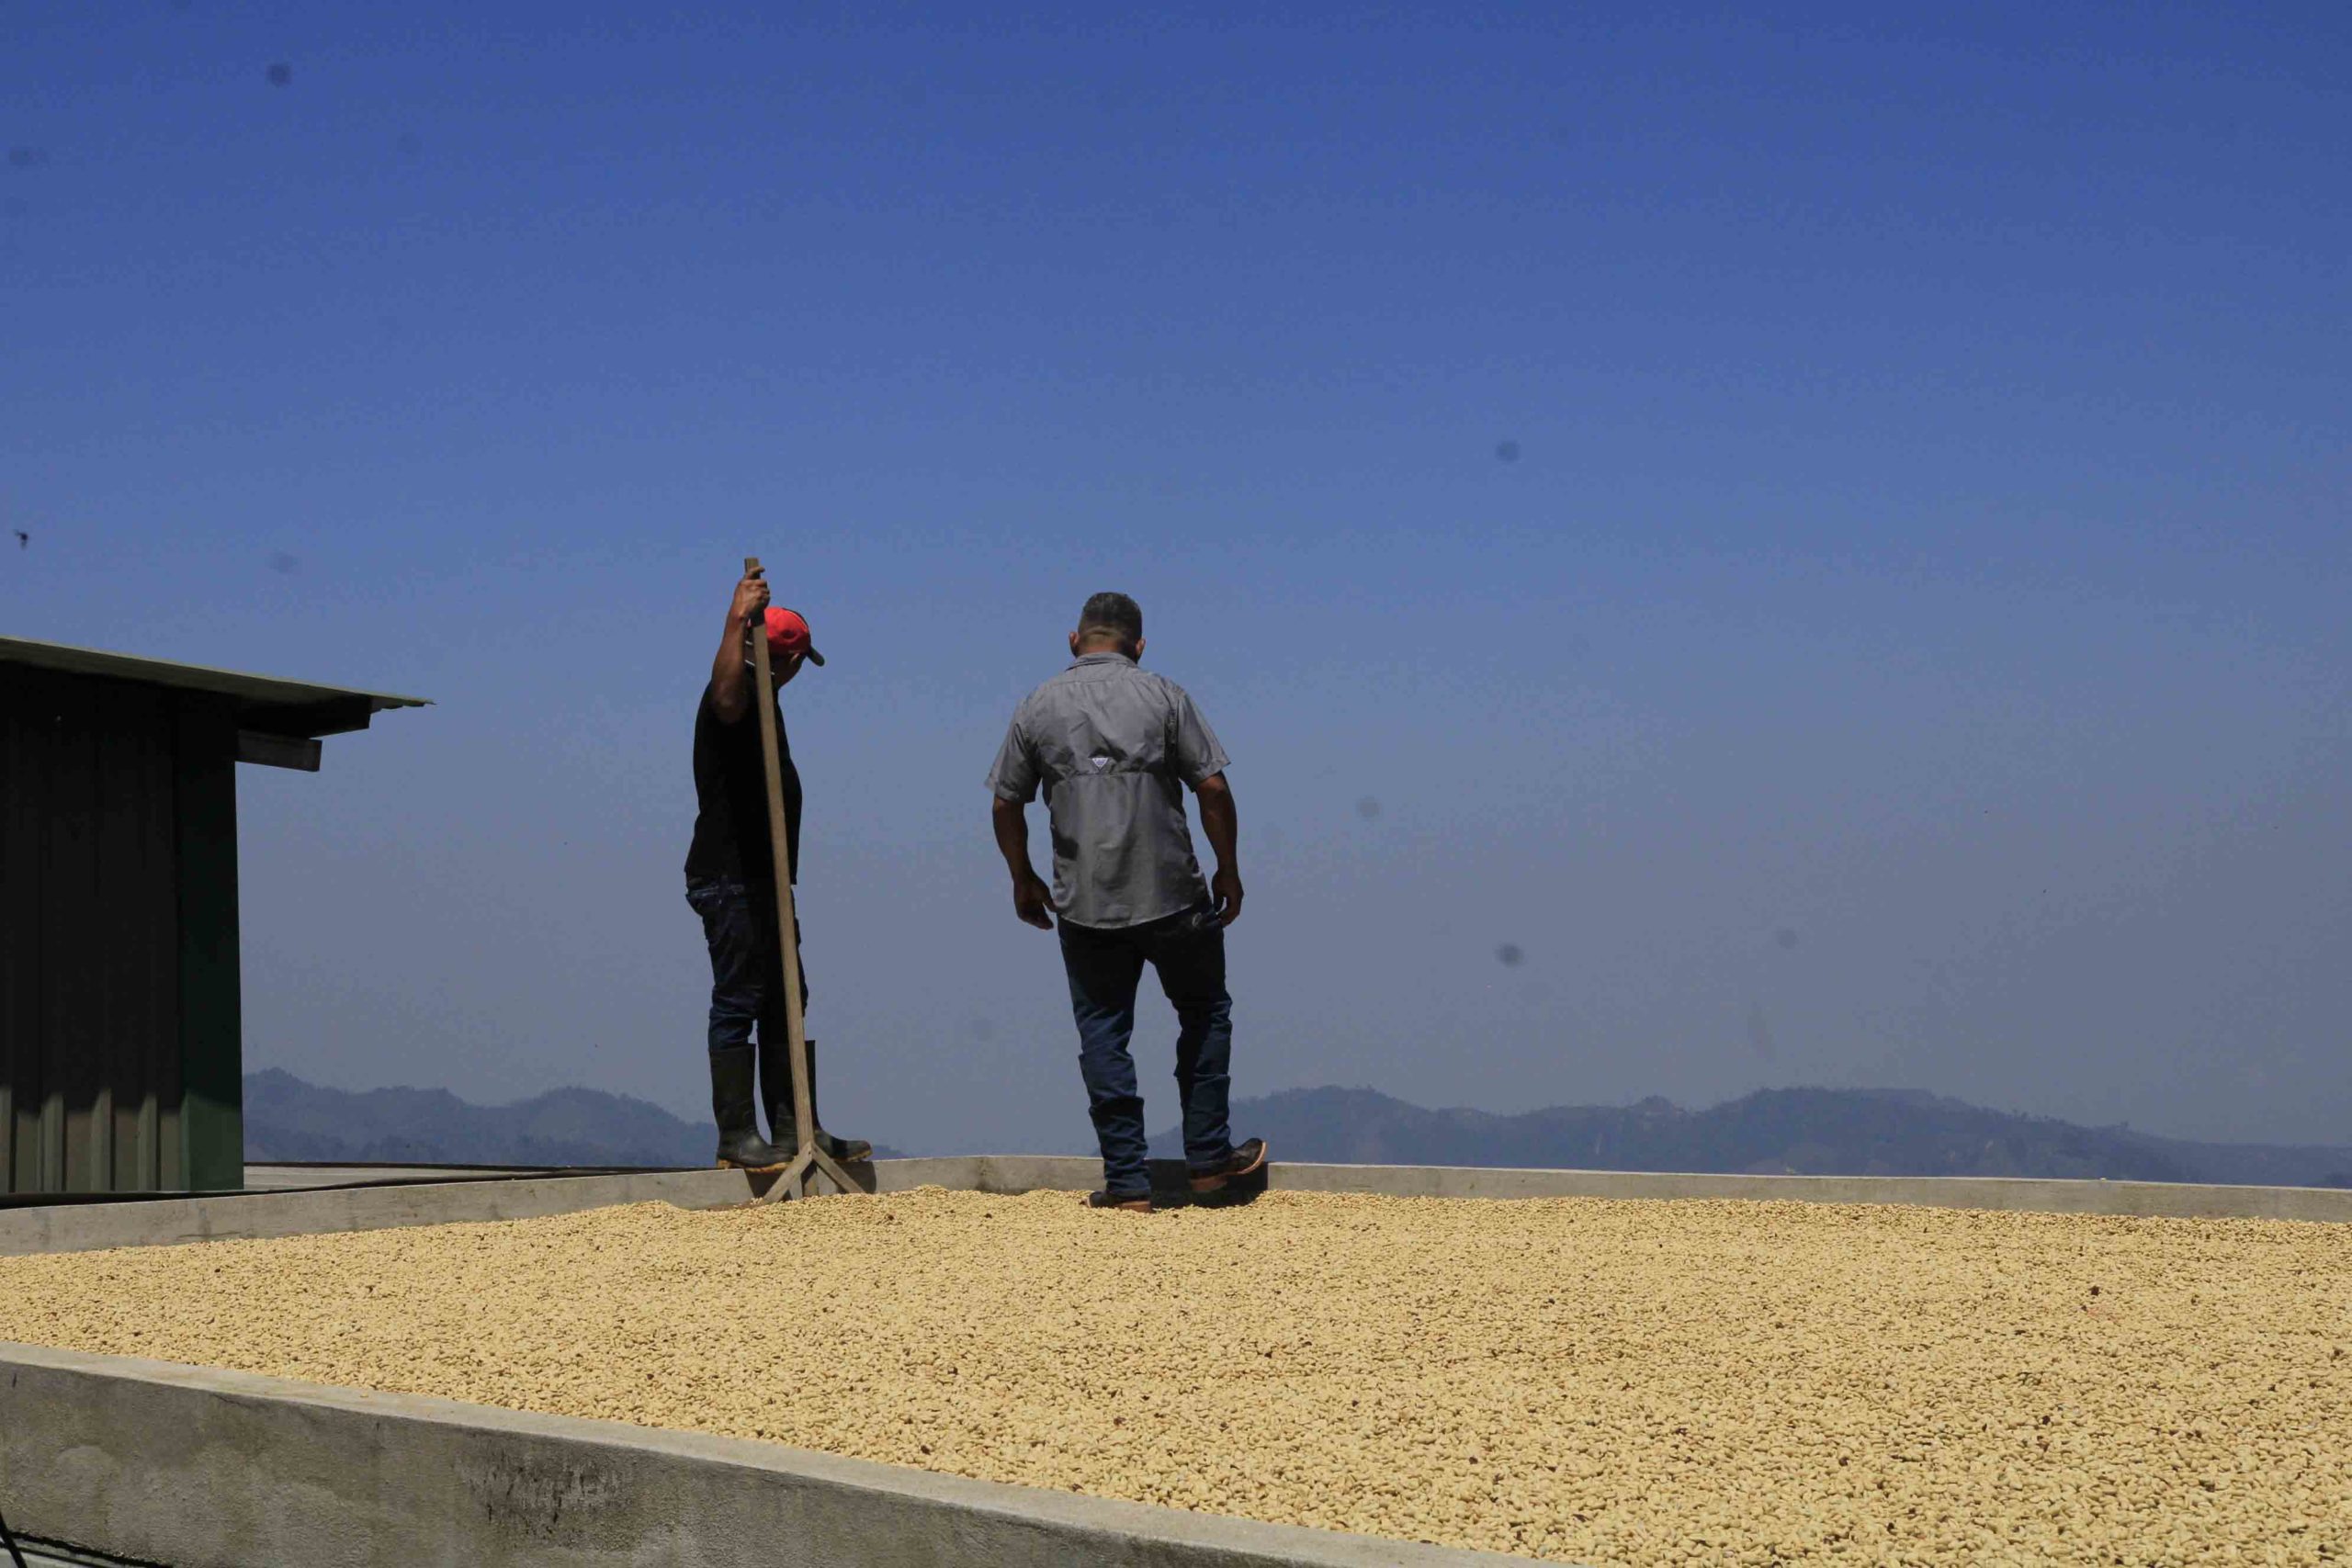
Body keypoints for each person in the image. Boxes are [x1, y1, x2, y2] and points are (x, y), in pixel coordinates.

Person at [987, 592, 1265, 1213]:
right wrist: (1229, 870)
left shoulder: (1037, 705)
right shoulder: (1166, 695)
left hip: (1086, 902)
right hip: (1173, 893)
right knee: (1203, 1013)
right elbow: (1212, 788)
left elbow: (1006, 801)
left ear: (1074, 640)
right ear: (1139, 645)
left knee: (1104, 1033)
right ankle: (1209, 1164)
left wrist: (1022, 877)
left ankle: (1128, 1183)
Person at [684, 566, 871, 1171]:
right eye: (793, 661)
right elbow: (725, 693)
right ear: (779, 660)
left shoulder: (768, 704)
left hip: (766, 879)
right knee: (740, 995)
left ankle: (796, 1127)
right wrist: (737, 617)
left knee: (787, 998)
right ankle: (737, 1136)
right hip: (729, 876)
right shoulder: (732, 703)